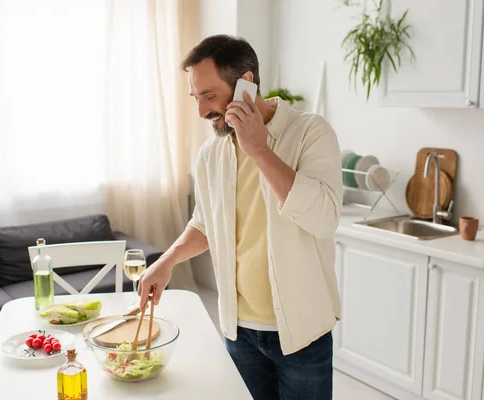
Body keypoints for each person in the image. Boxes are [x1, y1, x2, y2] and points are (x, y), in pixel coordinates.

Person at [138, 34, 342, 400]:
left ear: (247, 83)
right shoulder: (211, 153)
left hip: (301, 332)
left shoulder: (311, 133)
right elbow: (206, 224)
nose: (201, 111)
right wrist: (166, 261)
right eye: (195, 97)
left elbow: (324, 219)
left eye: (209, 96)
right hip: (239, 332)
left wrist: (260, 149)